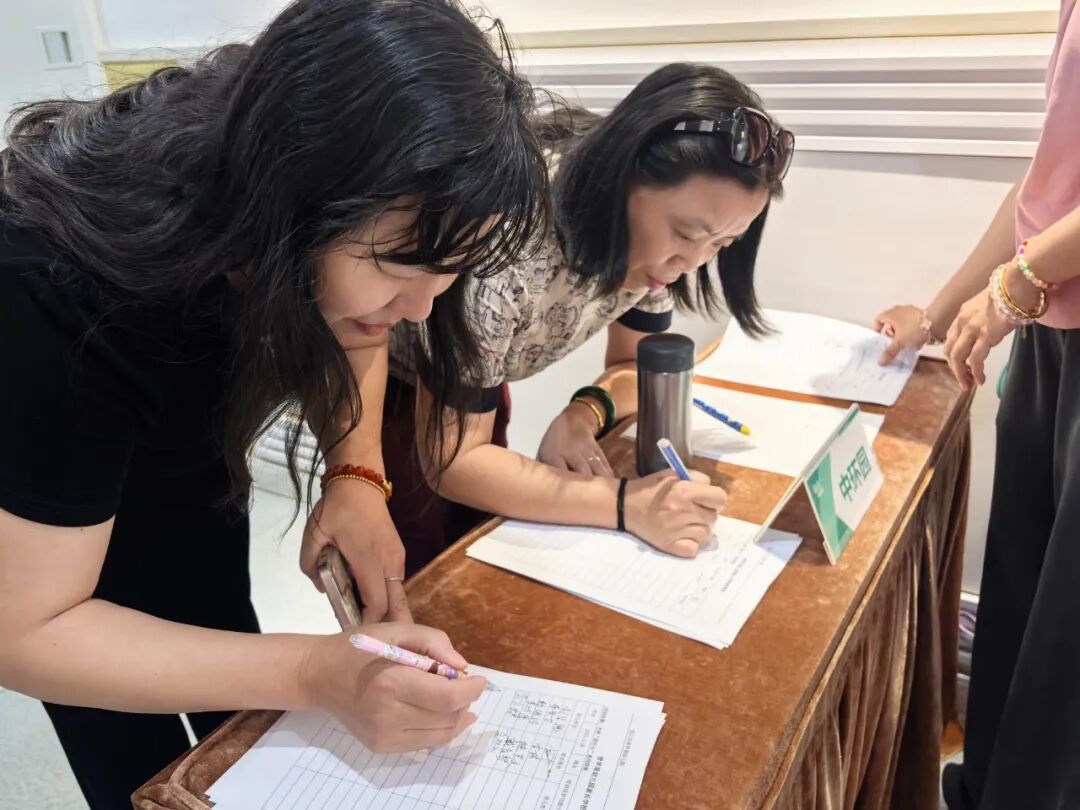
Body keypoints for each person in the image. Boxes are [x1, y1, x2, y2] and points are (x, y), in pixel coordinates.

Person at [0, 0, 548, 806]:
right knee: (128, 754)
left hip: (183, 464)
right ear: (285, 202)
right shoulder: (51, 286)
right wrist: (314, 672)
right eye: (400, 266)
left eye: (448, 273)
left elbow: (360, 328)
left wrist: (356, 475)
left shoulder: (295, 155)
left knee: (222, 647)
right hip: (39, 498)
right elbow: (26, 632)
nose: (419, 309)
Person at [299, 63, 793, 612]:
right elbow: (456, 462)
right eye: (686, 233)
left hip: (476, 387)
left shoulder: (654, 257)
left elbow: (631, 367)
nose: (692, 262)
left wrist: (585, 412)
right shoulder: (509, 249)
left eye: (722, 243)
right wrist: (626, 505)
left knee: (483, 546)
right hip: (388, 392)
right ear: (624, 178)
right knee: (420, 586)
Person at [875, 2, 1080, 805]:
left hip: (1046, 304)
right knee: (1018, 617)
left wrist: (1020, 281)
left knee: (1062, 655)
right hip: (1052, 330)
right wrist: (938, 314)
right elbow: (1047, 188)